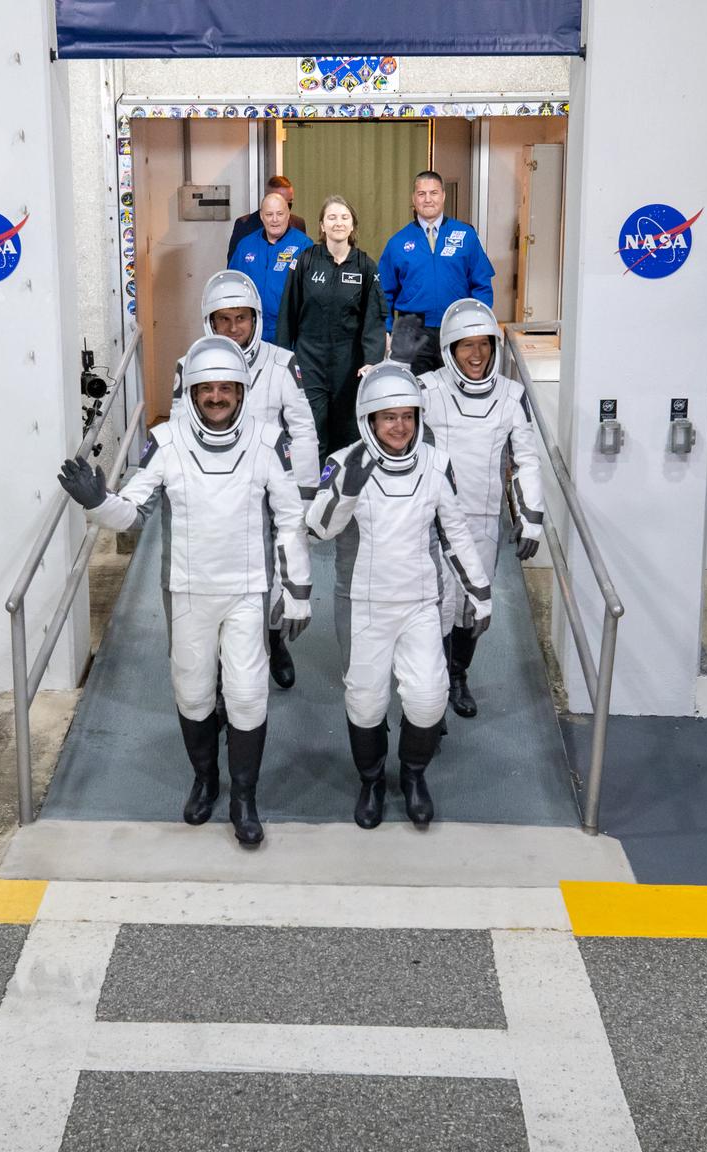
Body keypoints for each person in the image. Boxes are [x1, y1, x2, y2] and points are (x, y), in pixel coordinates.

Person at [58, 335, 312, 848]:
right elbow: (133, 511)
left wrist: (298, 589)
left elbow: (289, 520)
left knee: (246, 696)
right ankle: (205, 779)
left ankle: (244, 797)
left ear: (242, 391)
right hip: (189, 591)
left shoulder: (267, 440)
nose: (217, 397)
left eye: (227, 388)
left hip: (246, 591)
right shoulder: (167, 440)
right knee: (194, 693)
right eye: (206, 389)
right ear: (191, 393)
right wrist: (97, 502)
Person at [307, 362, 492, 830]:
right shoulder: (343, 460)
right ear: (368, 419)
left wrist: (479, 589)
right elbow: (319, 528)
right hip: (365, 607)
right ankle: (371, 781)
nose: (399, 426)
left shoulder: (435, 461)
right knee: (366, 702)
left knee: (429, 698)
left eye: (407, 415)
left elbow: (455, 533)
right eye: (388, 417)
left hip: (419, 604)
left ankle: (413, 777)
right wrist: (345, 491)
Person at [170, 269, 321, 689]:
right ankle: (218, 664)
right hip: (216, 495)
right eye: (223, 319)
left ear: (256, 318)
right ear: (209, 323)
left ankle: (275, 642)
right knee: (221, 580)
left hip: (271, 493)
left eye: (242, 318)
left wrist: (304, 497)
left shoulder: (282, 362)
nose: (233, 328)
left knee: (272, 575)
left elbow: (304, 431)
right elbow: (181, 434)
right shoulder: (190, 366)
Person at [419, 299, 544, 718]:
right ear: (449, 349)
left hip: (484, 517)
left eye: (484, 345)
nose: (476, 355)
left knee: (472, 606)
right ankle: (431, 691)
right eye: (465, 346)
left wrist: (531, 518)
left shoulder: (512, 396)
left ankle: (457, 676)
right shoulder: (426, 390)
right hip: (433, 520)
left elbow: (526, 458)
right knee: (435, 604)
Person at [276, 195, 388, 455]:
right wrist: (283, 359)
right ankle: (312, 491)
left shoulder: (365, 267)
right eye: (332, 217)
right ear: (322, 226)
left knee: (347, 431)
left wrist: (372, 359)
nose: (338, 223)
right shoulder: (304, 261)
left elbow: (374, 319)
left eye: (344, 217)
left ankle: (340, 491)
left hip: (349, 364)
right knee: (312, 429)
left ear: (352, 226)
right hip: (309, 360)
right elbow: (287, 313)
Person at [378, 170, 495, 377]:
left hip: (457, 328)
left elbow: (481, 285)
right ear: (414, 199)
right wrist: (386, 331)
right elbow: (383, 293)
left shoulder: (465, 236)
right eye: (421, 194)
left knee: (455, 392)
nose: (428, 199)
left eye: (433, 193)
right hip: (411, 331)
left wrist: (479, 324)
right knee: (417, 393)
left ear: (443, 196)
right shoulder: (397, 242)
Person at [227, 191, 313, 344]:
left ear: (288, 215)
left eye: (280, 214)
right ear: (261, 216)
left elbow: (313, 296)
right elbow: (232, 285)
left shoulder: (304, 246)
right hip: (253, 332)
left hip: (290, 333)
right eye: (269, 214)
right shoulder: (245, 245)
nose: (274, 220)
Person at [227, 175, 306, 261]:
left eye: (289, 203)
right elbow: (234, 268)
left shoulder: (298, 224)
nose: (275, 219)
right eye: (278, 201)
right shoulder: (245, 224)